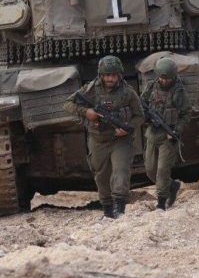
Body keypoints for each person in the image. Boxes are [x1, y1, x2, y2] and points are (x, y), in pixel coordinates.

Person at [64, 55, 143, 219]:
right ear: (101, 75)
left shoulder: (127, 92)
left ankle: (119, 209)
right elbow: (68, 104)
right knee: (102, 176)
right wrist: (86, 111)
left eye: (113, 75)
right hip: (98, 140)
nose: (110, 79)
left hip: (121, 140)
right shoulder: (91, 89)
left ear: (119, 75)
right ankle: (107, 210)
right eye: (107, 75)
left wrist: (127, 129)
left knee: (121, 171)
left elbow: (140, 116)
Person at [141, 57, 191, 210]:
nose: (164, 81)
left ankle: (161, 202)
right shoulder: (151, 87)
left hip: (168, 136)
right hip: (152, 133)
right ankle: (172, 185)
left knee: (162, 170)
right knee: (151, 170)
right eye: (161, 78)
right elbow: (141, 105)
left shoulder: (178, 91)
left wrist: (176, 130)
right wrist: (147, 116)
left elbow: (186, 113)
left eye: (167, 78)